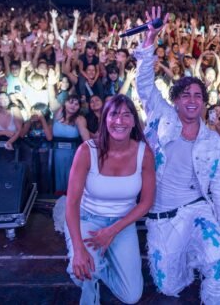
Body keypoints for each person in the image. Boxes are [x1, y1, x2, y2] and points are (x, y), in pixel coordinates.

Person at [134, 7, 220, 304]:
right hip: (160, 217)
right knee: (169, 286)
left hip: (196, 209)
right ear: (175, 100)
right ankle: (187, 257)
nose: (192, 100)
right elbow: (144, 85)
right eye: (185, 95)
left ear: (204, 102)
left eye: (198, 96)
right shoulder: (161, 115)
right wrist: (149, 41)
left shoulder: (212, 141)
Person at [65, 94, 155, 305]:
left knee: (131, 296)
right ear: (105, 119)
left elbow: (146, 202)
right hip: (87, 220)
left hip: (123, 223)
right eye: (114, 114)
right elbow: (71, 204)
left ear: (133, 121)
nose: (119, 120)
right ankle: (92, 274)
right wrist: (78, 249)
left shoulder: (144, 153)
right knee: (81, 270)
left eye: (126, 115)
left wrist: (112, 231)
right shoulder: (86, 151)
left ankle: (98, 267)